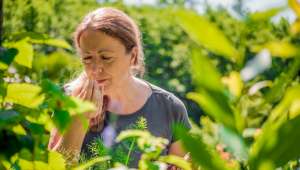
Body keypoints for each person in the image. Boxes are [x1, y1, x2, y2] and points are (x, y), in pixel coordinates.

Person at [48, 7, 191, 168]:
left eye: (106, 57)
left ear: (133, 55)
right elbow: (55, 166)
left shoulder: (170, 108)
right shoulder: (67, 99)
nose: (95, 68)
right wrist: (80, 119)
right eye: (87, 58)